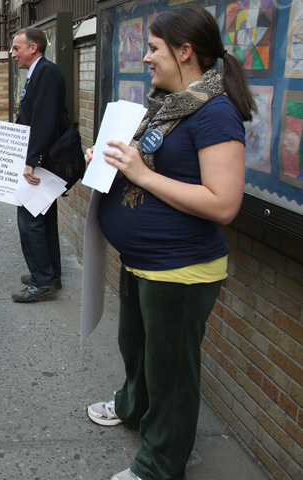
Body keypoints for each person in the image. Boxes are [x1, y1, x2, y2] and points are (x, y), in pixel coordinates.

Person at [84, 5, 254, 480]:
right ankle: (133, 408)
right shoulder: (165, 106)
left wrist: (139, 174)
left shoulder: (216, 114)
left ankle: (161, 464)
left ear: (185, 52)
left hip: (180, 269)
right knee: (136, 348)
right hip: (143, 261)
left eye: (154, 49)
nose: (146, 59)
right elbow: (149, 163)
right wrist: (108, 160)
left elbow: (223, 204)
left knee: (172, 374)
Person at [9, 27, 66, 302]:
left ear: (33, 48)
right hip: (40, 160)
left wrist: (33, 161)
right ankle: (50, 274)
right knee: (44, 220)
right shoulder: (38, 73)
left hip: (41, 164)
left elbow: (44, 120)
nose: (12, 54)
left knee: (29, 222)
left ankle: (41, 281)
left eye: (16, 48)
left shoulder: (47, 72)